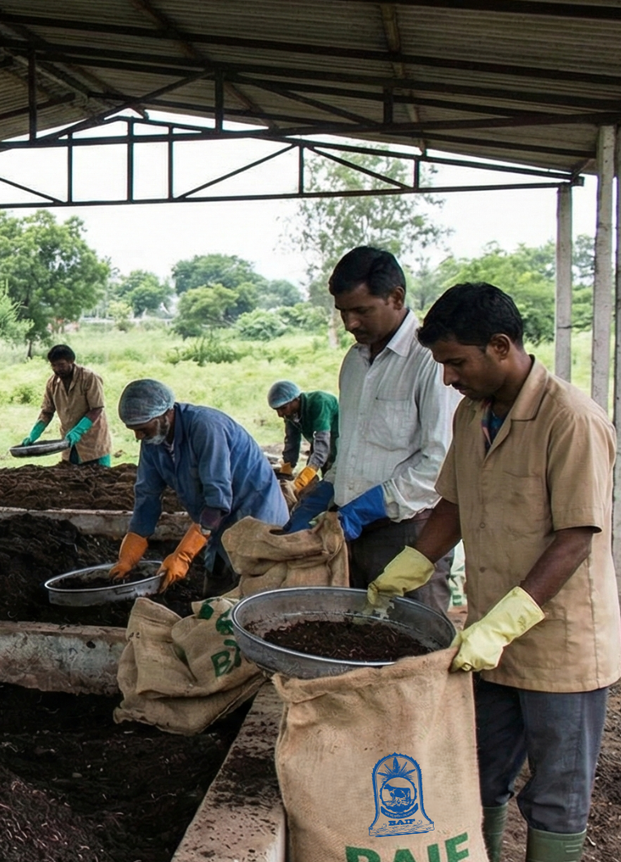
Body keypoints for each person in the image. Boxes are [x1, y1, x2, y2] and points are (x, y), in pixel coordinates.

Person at [367, 282, 617, 862]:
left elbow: (574, 536)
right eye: (443, 365)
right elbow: (450, 502)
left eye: (457, 362)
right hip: (487, 640)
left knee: (558, 791)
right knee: (479, 774)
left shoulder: (572, 419)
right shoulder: (473, 414)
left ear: (501, 347)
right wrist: (410, 563)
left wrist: (504, 621)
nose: (448, 377)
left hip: (562, 644)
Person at [290, 246, 457, 609]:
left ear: (396, 298)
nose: (350, 323)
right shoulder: (354, 362)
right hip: (351, 534)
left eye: (361, 311)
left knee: (413, 647)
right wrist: (327, 489)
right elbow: (351, 445)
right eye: (343, 312)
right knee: (356, 636)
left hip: (409, 533)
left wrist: (370, 505)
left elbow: (441, 463)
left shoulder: (431, 361)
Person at [109, 379, 288, 592]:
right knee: (215, 585)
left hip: (254, 511)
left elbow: (217, 501)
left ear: (165, 413)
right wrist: (128, 556)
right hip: (213, 523)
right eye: (133, 430)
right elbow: (147, 496)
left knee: (253, 585)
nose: (138, 436)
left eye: (142, 428)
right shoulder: (153, 441)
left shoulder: (206, 427)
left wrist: (183, 555)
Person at [21, 344, 112, 466]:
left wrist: (78, 431)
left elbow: (96, 408)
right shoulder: (52, 383)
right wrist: (33, 434)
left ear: (71, 361)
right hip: (68, 444)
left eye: (61, 365)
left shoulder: (89, 378)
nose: (57, 369)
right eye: (54, 365)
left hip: (94, 443)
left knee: (100, 479)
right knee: (71, 480)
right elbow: (47, 412)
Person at [266, 379, 338, 496]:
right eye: (277, 410)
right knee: (320, 478)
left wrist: (307, 475)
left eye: (283, 408)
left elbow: (322, 444)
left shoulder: (319, 403)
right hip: (321, 443)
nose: (280, 414)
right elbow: (291, 441)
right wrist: (287, 469)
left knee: (336, 481)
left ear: (296, 399)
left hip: (340, 444)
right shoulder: (291, 414)